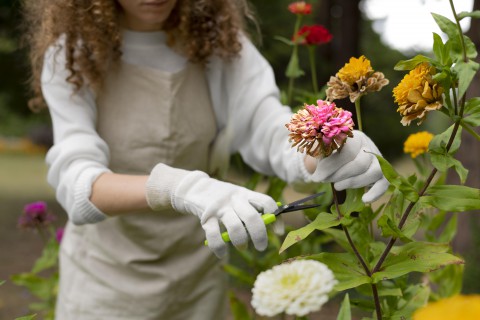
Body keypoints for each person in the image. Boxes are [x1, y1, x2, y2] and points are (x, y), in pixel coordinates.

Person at [23, 0, 389, 319]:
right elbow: (77, 182)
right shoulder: (71, 54)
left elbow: (267, 129)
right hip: (104, 283)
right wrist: (180, 187)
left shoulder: (220, 45)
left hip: (197, 280)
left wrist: (327, 147)